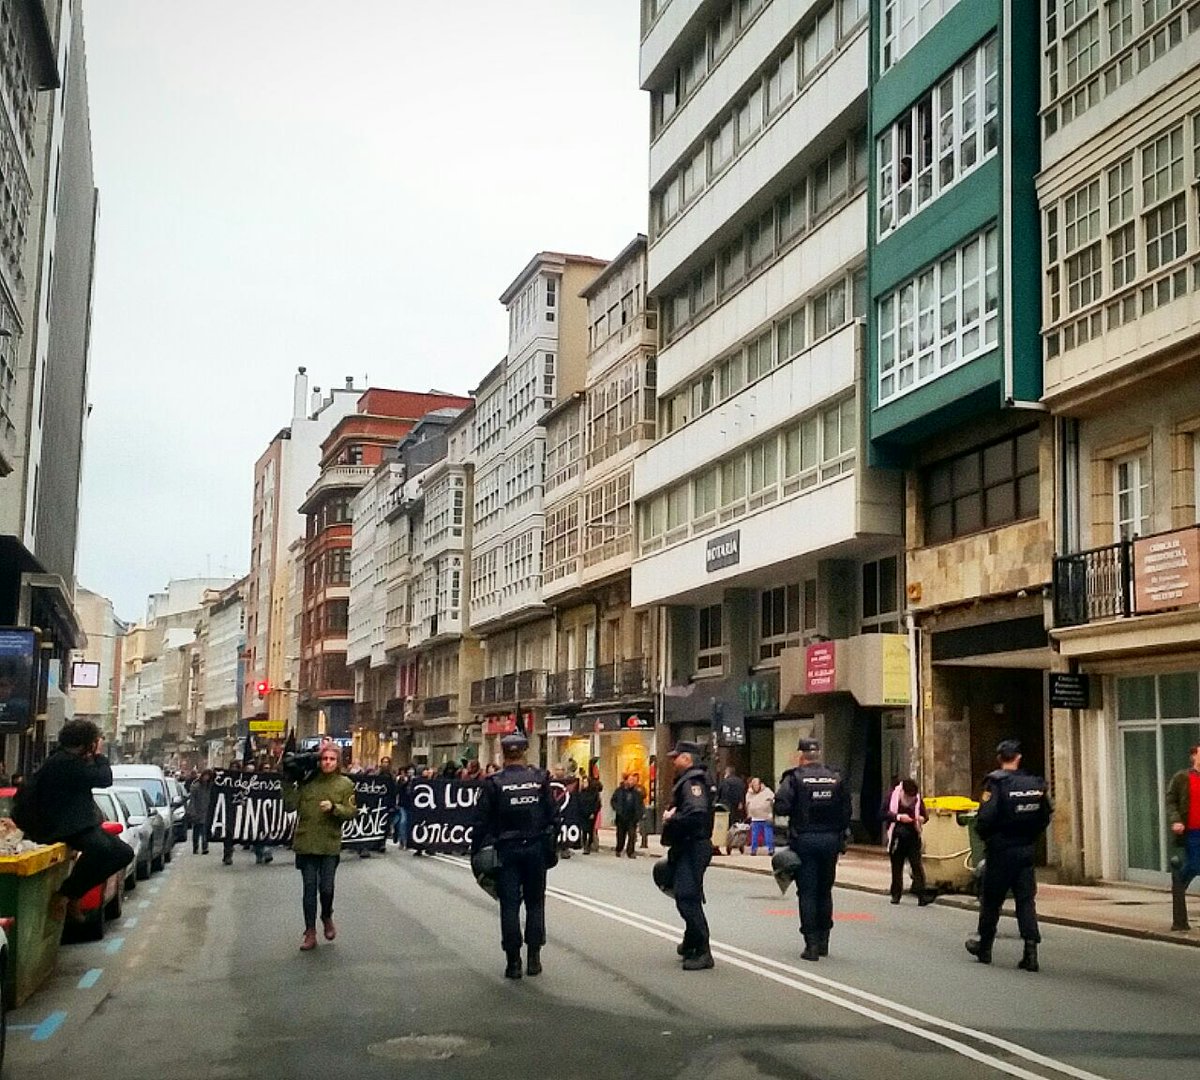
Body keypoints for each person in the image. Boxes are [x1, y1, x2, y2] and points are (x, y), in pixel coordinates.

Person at [472, 729, 559, 979]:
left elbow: (481, 822)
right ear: (524, 752)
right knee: (535, 903)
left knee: (509, 906)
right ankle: (534, 958)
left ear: (503, 754)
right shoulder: (540, 779)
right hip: (535, 849)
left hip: (507, 850)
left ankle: (513, 962)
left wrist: (476, 850)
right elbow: (553, 817)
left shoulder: (494, 783)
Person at [27, 720, 134, 922]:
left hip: (78, 824)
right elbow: (104, 778)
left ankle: (73, 894)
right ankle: (66, 895)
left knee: (123, 853)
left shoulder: (68, 760)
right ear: (87, 743)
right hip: (63, 826)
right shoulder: (64, 762)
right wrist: (99, 755)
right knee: (100, 849)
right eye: (94, 741)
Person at [965, 739, 1054, 972]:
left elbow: (985, 818)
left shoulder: (995, 783)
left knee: (991, 900)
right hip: (1025, 850)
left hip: (1001, 850)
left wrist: (988, 839)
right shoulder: (1035, 783)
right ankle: (1031, 951)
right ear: (1018, 757)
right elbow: (1045, 816)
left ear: (999, 759)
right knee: (1026, 901)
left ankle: (984, 947)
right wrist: (1030, 837)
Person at [774, 737, 851, 962]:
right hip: (831, 841)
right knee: (824, 891)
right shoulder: (835, 777)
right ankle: (824, 940)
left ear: (801, 756)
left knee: (807, 892)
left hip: (805, 840)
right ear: (818, 755)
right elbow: (847, 809)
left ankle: (811, 945)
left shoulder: (794, 778)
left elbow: (782, 806)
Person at [281, 741, 357, 951]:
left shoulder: (345, 784)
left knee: (326, 888)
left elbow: (351, 812)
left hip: (329, 844)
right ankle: (310, 932)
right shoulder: (308, 782)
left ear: (338, 762)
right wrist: (287, 781)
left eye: (332, 759)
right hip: (306, 843)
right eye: (324, 759)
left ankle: (326, 915)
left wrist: (334, 808)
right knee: (308, 890)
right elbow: (289, 806)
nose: (327, 762)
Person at [661, 741, 715, 971]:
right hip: (688, 846)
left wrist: (672, 818)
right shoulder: (691, 780)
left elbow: (697, 812)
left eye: (677, 757)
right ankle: (692, 942)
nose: (673, 761)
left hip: (693, 845)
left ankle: (703, 950)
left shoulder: (692, 782)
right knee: (686, 892)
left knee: (686, 896)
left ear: (688, 758)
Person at [1166, 744, 1200, 931]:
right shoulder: (1182, 777)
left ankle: (1179, 889)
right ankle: (1180, 886)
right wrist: (1176, 820)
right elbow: (1171, 800)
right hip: (1192, 830)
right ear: (1194, 756)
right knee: (1195, 864)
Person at [882, 777, 932, 905]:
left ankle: (922, 895)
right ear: (902, 791)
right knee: (896, 866)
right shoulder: (892, 797)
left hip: (913, 835)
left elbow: (925, 816)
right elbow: (882, 814)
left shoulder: (917, 800)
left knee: (916, 865)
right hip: (897, 835)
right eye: (908, 797)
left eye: (912, 798)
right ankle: (896, 894)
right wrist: (898, 817)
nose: (910, 801)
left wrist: (921, 818)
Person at [611, 772, 645, 858]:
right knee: (620, 836)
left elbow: (640, 804)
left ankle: (630, 852)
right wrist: (617, 809)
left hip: (632, 818)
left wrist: (640, 814)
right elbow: (613, 801)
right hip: (621, 817)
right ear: (626, 781)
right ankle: (619, 849)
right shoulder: (619, 791)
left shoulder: (636, 793)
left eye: (633, 780)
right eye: (630, 780)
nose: (631, 782)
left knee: (632, 835)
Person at [186, 769, 215, 854]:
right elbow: (192, 800)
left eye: (208, 776)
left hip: (206, 812)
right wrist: (192, 812)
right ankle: (195, 847)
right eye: (205, 775)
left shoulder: (210, 787)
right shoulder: (196, 786)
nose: (207, 777)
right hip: (197, 811)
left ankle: (205, 847)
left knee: (204, 830)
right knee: (196, 831)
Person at [745, 777, 775, 856]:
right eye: (753, 785)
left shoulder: (767, 792)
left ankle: (770, 849)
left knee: (768, 833)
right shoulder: (749, 793)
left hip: (766, 816)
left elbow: (773, 800)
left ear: (760, 784)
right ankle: (753, 850)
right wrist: (749, 814)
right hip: (755, 817)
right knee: (754, 834)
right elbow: (747, 804)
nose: (755, 787)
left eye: (756, 785)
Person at [576, 775, 600, 855]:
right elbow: (578, 802)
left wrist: (593, 812)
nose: (584, 783)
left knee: (589, 830)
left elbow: (597, 804)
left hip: (591, 814)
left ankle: (588, 845)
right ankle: (584, 845)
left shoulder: (594, 792)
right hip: (582, 813)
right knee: (584, 831)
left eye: (586, 782)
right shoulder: (581, 792)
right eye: (583, 782)